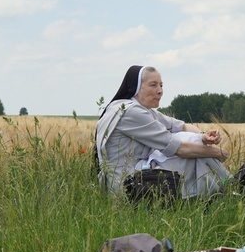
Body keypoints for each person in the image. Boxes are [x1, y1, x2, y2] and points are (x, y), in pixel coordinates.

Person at [96, 65, 231, 200]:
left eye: (161, 85)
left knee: (196, 146)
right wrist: (216, 152)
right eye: (153, 85)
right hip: (128, 187)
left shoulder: (138, 109)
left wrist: (203, 136)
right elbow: (179, 149)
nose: (160, 91)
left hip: (137, 176)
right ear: (136, 87)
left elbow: (181, 126)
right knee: (196, 155)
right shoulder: (131, 113)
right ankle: (226, 188)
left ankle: (224, 188)